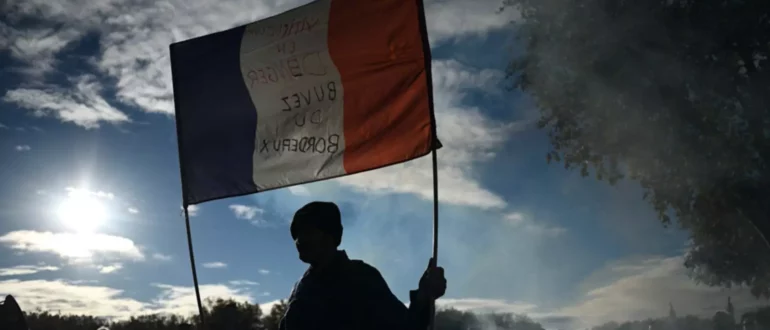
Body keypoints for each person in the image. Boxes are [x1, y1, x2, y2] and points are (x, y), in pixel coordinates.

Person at [279, 201, 447, 330]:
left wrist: (424, 297)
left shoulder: (360, 277)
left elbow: (404, 326)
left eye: (307, 232)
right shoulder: (301, 287)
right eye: (297, 235)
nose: (299, 241)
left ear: (330, 236)